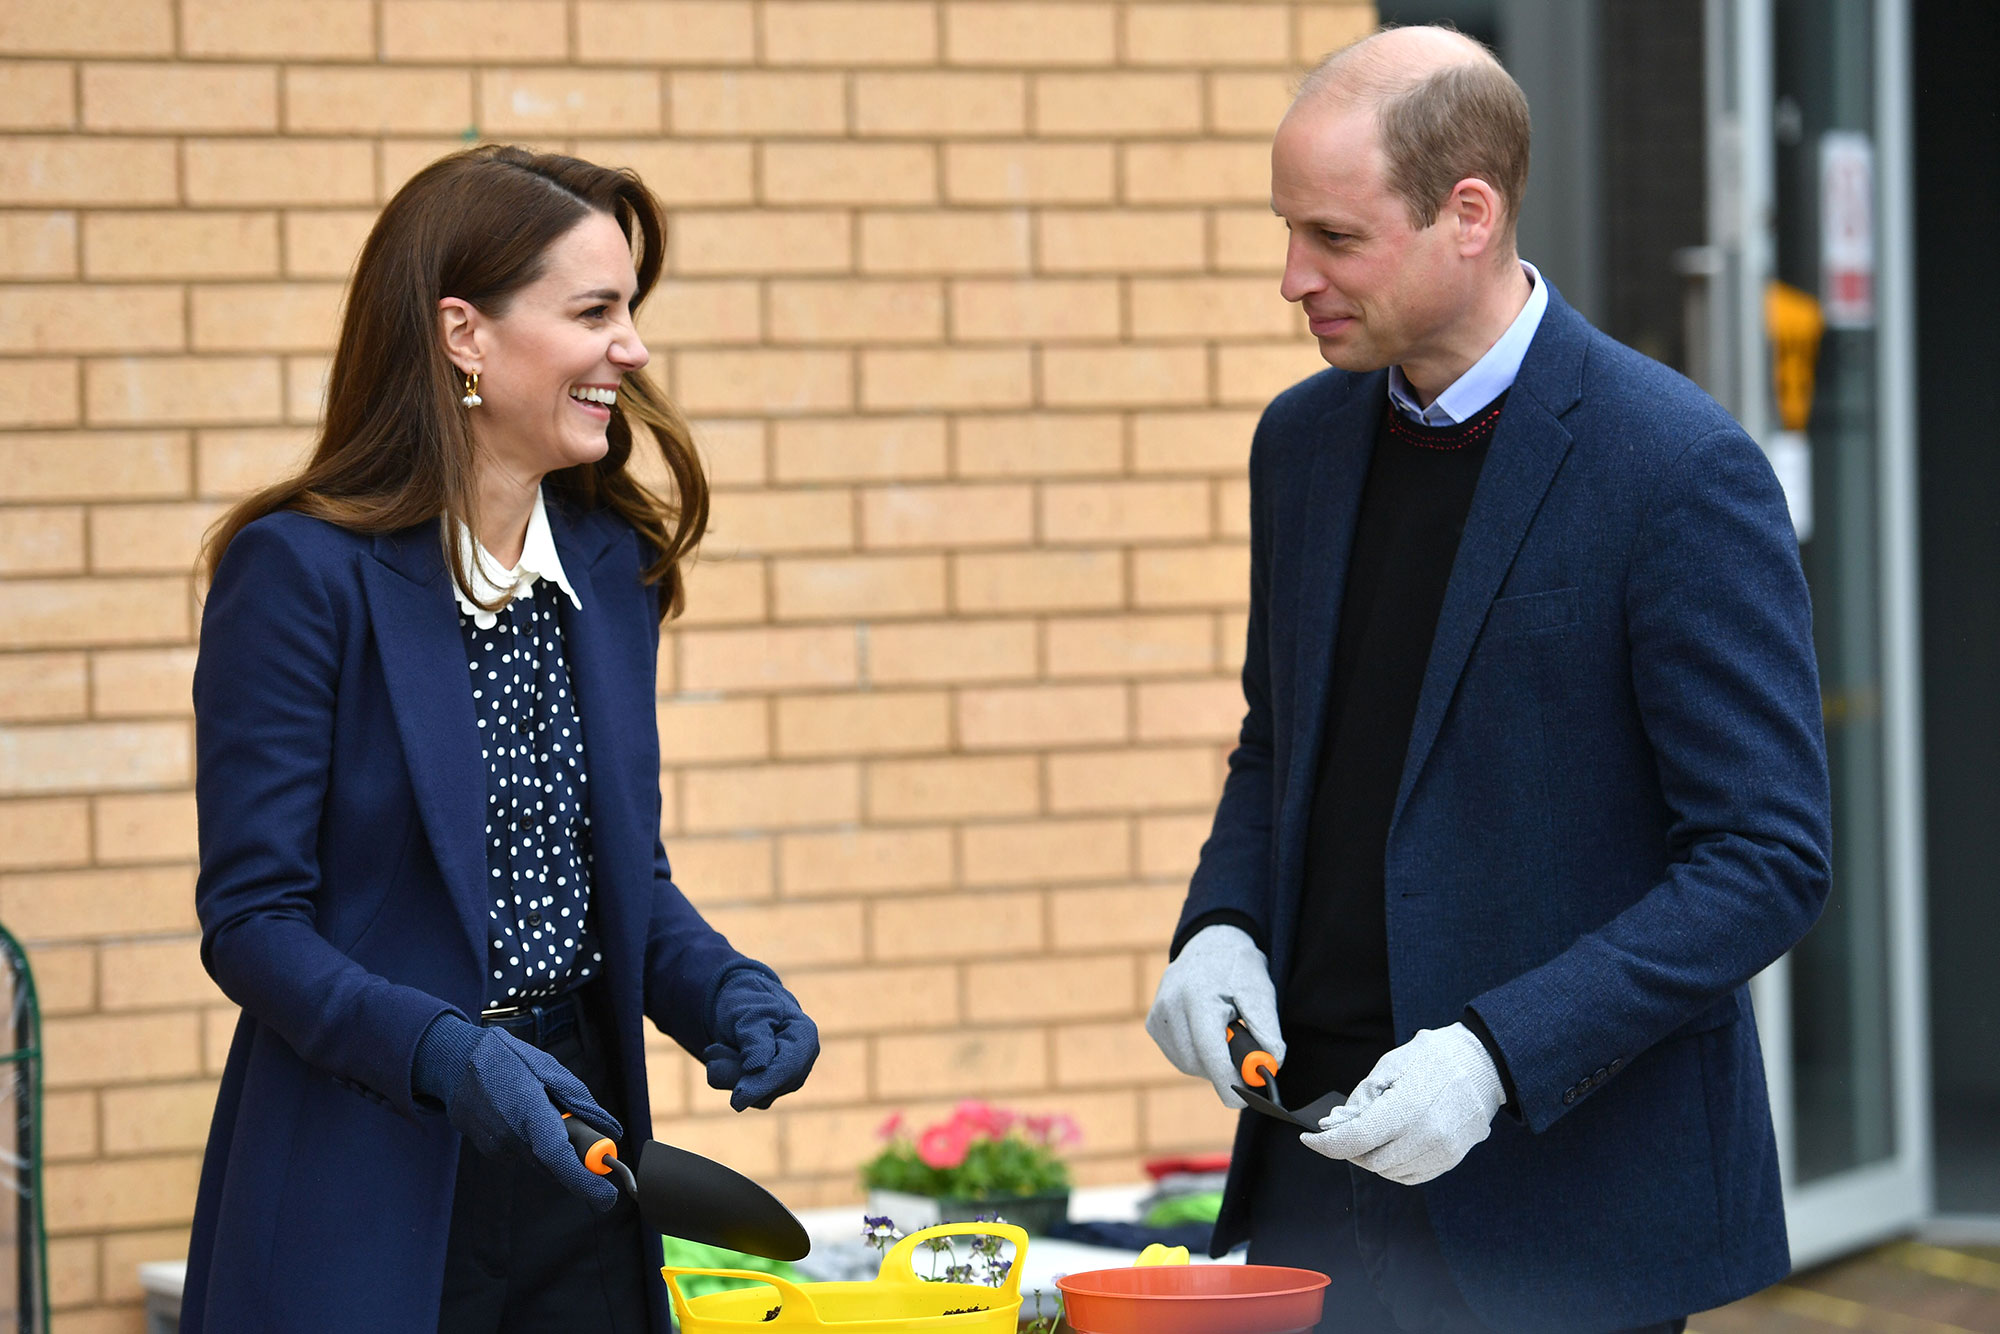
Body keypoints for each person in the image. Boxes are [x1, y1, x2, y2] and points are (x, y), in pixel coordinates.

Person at [1146, 26, 1830, 1334]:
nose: (1293, 279)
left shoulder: (1674, 466)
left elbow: (1765, 858)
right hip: (1315, 1169)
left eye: (1334, 238)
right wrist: (1219, 920)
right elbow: (1280, 740)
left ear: (1469, 214)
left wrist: (1496, 1056)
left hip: (1562, 1211)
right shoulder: (1299, 444)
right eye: (1288, 232)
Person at [183, 145, 820, 1333]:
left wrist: (721, 988)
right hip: (368, 1169)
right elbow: (254, 921)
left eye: (629, 310)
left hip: (581, 1160)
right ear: (462, 334)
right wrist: (442, 1052)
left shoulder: (609, 565)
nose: (632, 348)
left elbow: (613, 879)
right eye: (593, 311)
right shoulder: (299, 572)